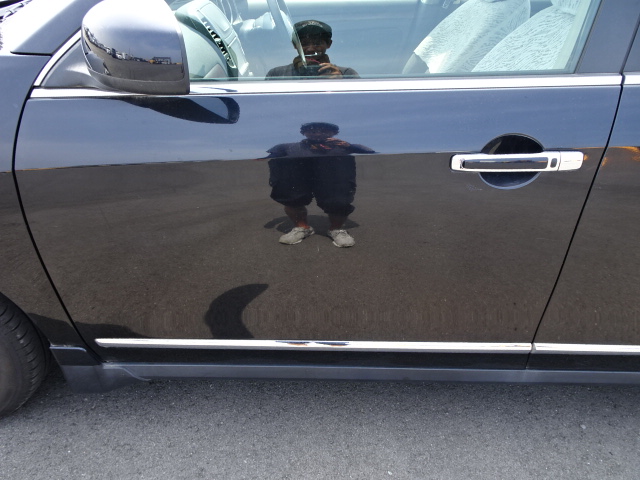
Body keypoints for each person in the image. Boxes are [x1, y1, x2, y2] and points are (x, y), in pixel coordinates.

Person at [266, 122, 374, 248]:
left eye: (324, 131)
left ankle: (336, 229)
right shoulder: (287, 147)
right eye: (313, 131)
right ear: (303, 133)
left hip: (332, 177)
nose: (318, 134)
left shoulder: (342, 147)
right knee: (292, 199)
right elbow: (269, 157)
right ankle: (302, 228)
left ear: (334, 133)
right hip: (298, 176)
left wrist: (349, 145)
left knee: (339, 201)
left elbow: (370, 151)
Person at [266, 20, 359, 79]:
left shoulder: (346, 74)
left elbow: (358, 102)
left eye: (317, 43)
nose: (310, 49)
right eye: (304, 44)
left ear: (329, 44)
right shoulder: (277, 74)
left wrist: (341, 83)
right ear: (295, 45)